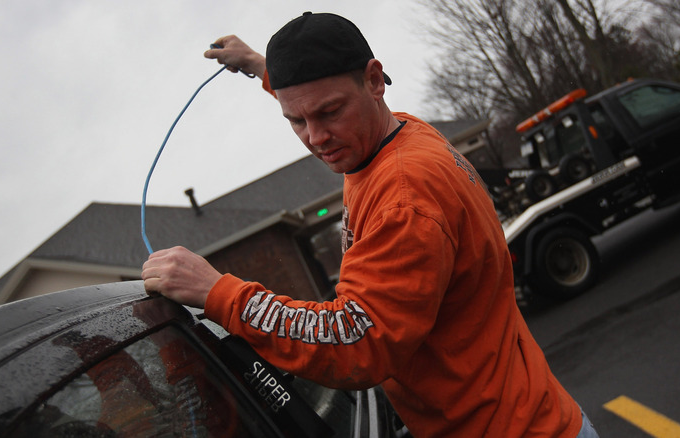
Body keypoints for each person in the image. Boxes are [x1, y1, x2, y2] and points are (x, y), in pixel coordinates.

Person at [142, 12, 599, 438]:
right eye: (296, 120)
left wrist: (217, 292)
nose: (317, 139)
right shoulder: (396, 130)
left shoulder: (404, 196)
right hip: (534, 410)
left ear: (374, 81)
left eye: (329, 113)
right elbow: (316, 94)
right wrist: (263, 67)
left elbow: (354, 344)